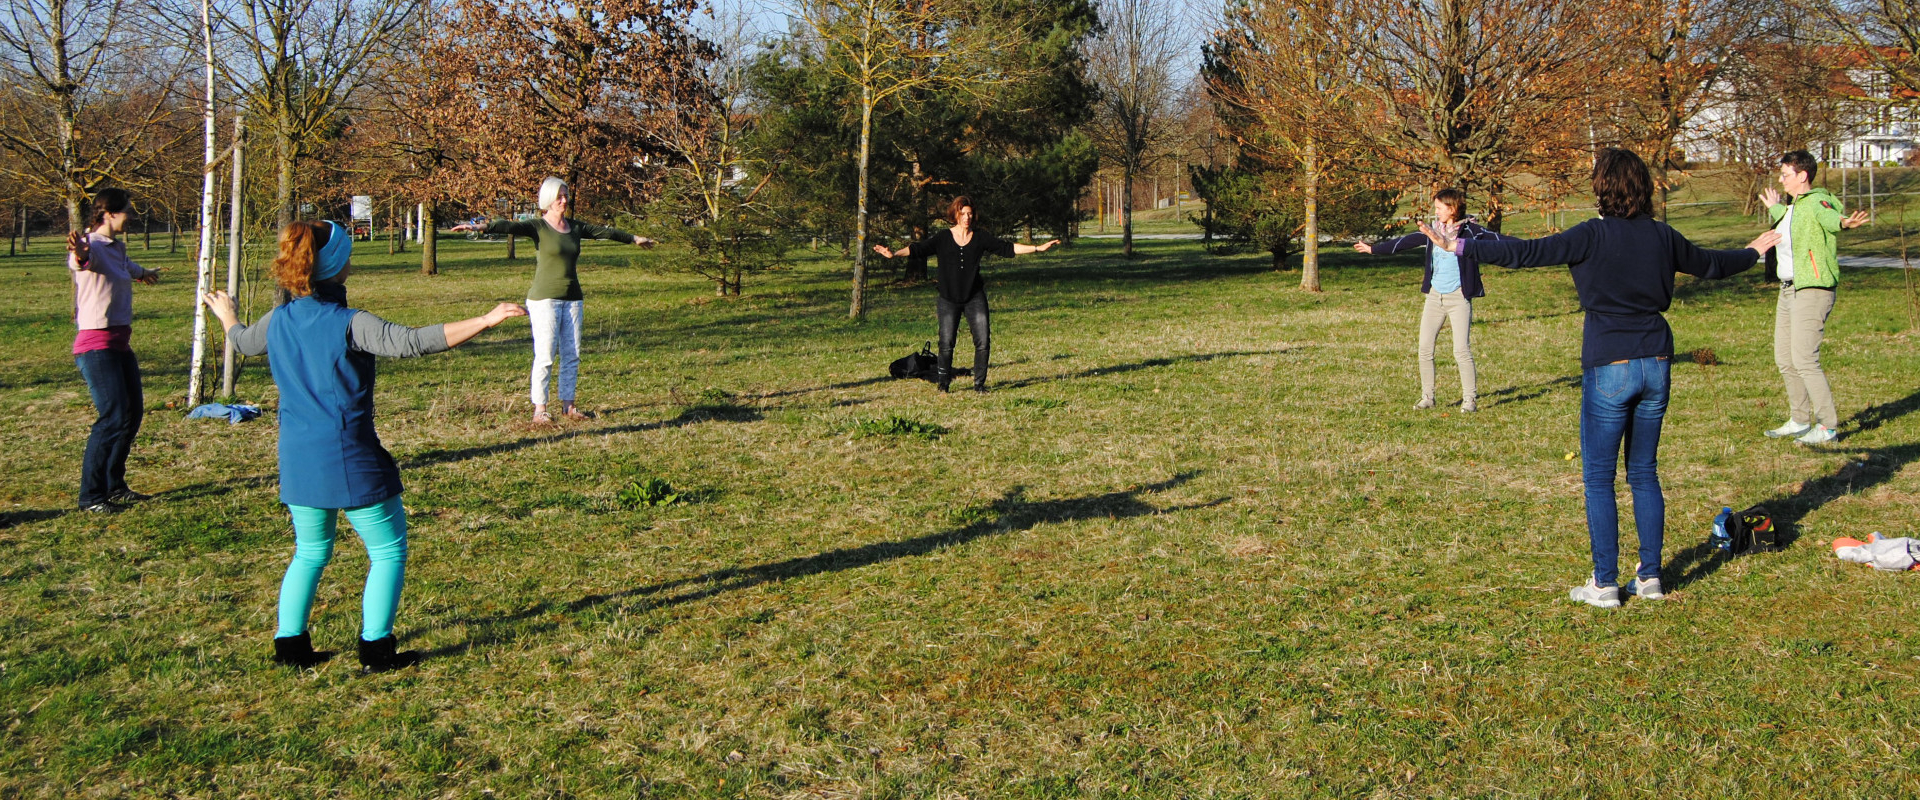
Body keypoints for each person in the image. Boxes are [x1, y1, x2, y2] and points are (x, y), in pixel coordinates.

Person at [1420, 147, 1781, 608]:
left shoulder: (1592, 234)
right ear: (1644, 189)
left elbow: (1526, 252)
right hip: (1657, 361)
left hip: (1610, 364)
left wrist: (1459, 245)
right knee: (1644, 473)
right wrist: (1753, 250)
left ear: (1601, 188)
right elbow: (1713, 264)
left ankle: (1605, 583)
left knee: (1598, 478)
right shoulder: (1661, 235)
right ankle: (1650, 577)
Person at [202, 220, 526, 672]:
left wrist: (228, 316)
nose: (351, 260)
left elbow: (242, 341)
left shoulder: (277, 320)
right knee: (388, 550)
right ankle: (376, 651)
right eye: (347, 254)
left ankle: (290, 649)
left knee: (310, 553)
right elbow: (412, 342)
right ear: (336, 267)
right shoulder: (350, 323)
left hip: (297, 461)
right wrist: (486, 318)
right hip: (349, 459)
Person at [451, 177, 653, 423]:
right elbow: (507, 226)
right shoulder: (538, 226)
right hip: (544, 300)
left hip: (573, 300)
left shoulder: (576, 228)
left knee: (572, 354)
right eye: (559, 196)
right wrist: (478, 227)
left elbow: (606, 232)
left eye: (566, 196)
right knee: (545, 356)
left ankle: (569, 407)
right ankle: (540, 409)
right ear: (548, 200)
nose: (564, 200)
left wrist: (634, 238)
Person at [871, 196, 1059, 393]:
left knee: (983, 341)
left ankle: (979, 385)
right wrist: (894, 254)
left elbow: (1007, 248)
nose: (967, 217)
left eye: (970, 214)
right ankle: (943, 385)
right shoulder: (943, 238)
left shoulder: (980, 237)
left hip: (974, 297)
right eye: (963, 214)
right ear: (955, 215)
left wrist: (1038, 248)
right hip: (948, 299)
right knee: (946, 343)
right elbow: (918, 249)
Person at [1353, 188, 1516, 411]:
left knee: (1461, 351)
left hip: (1458, 298)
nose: (1436, 211)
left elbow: (1500, 240)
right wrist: (1373, 249)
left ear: (1453, 209)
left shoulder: (1472, 232)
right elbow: (1405, 241)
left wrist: (1531, 247)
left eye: (1439, 208)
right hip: (1434, 298)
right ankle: (1427, 397)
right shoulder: (1433, 231)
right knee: (1425, 349)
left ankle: (1469, 400)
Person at [1757, 151, 1869, 445]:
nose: (1781, 179)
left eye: (1785, 174)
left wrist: (1845, 222)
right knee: (1785, 358)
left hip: (1813, 288)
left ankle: (1828, 426)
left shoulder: (1817, 200)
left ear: (1802, 175)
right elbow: (1794, 225)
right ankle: (1799, 419)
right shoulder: (1793, 207)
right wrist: (1776, 210)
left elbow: (1828, 218)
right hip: (1788, 289)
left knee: (1805, 358)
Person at [67, 188, 160, 512]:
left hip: (119, 344)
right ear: (109, 214)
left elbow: (128, 268)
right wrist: (79, 252)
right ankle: (91, 497)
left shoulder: (116, 248)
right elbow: (82, 261)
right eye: (128, 212)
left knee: (131, 415)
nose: (132, 217)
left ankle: (114, 485)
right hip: (96, 347)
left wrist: (145, 274)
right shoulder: (91, 246)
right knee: (113, 416)